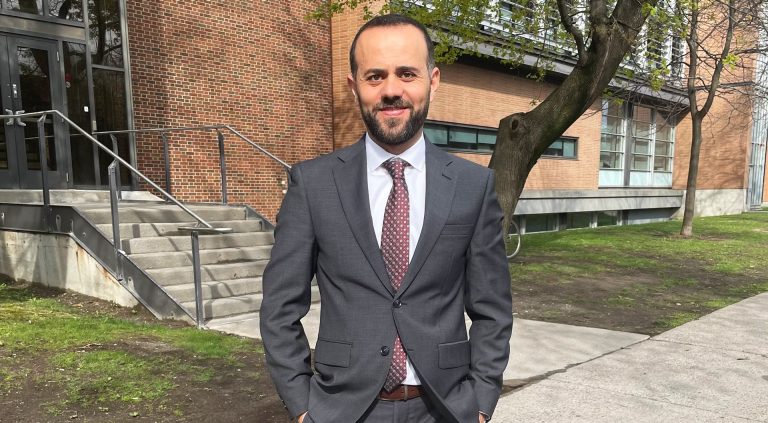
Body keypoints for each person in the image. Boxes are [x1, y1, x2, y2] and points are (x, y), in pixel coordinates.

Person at [259, 13, 513, 423]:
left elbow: (493, 310)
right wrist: (303, 406)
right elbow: (279, 307)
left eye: (407, 74)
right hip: (341, 410)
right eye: (375, 76)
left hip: (446, 409)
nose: (391, 90)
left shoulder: (473, 186)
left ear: (432, 80)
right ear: (353, 84)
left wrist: (480, 403)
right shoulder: (313, 183)